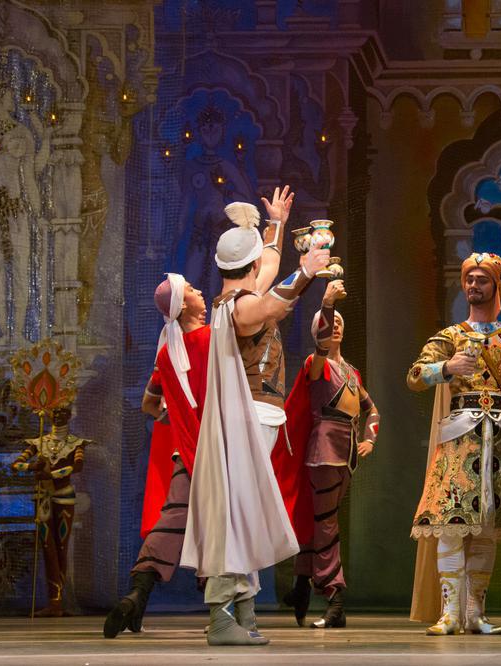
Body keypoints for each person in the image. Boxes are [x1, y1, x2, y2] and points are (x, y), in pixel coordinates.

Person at [182, 187, 330, 646]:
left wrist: (277, 224)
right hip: (250, 419)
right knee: (238, 514)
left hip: (253, 419)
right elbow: (272, 303)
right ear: (245, 267)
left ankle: (242, 612)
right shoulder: (240, 307)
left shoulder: (234, 295)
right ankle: (223, 616)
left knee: (245, 514)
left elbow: (266, 268)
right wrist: (306, 272)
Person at [406, 252, 501, 636]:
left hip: (500, 442)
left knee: (487, 529)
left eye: (481, 279)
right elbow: (415, 376)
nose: (473, 284)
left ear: (498, 286)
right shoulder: (450, 337)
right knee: (450, 524)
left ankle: (475, 613)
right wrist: (447, 368)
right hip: (460, 443)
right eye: (469, 278)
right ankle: (449, 613)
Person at [103, 274, 209, 637]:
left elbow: (150, 404)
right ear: (183, 305)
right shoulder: (211, 340)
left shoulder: (166, 352)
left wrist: (175, 414)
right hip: (213, 452)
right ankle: (227, 611)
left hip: (185, 451)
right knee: (220, 527)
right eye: (192, 290)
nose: (200, 292)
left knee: (172, 523)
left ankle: (138, 595)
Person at [278, 280, 381, 629]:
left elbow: (373, 410)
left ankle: (301, 584)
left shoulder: (351, 372)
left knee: (319, 518)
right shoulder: (316, 363)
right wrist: (327, 302)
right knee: (326, 522)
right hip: (323, 449)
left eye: (339, 321)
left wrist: (370, 439)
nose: (335, 324)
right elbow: (322, 345)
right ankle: (334, 593)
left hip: (346, 451)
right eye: (329, 321)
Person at [12, 406, 88, 617]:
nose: (58, 416)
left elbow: (77, 466)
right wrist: (32, 467)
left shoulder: (76, 443)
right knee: (48, 547)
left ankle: (58, 602)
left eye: (62, 413)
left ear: (69, 416)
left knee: (62, 547)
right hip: (43, 499)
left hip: (64, 497)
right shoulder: (39, 442)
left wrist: (50, 475)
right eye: (55, 413)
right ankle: (55, 601)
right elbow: (16, 464)